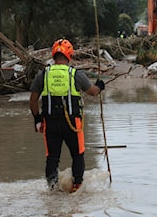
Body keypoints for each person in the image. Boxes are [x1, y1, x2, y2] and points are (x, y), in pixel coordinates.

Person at [29, 38, 105, 193]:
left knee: (52, 158)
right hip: (73, 124)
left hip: (50, 123)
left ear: (53, 55)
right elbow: (93, 92)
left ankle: (52, 190)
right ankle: (76, 187)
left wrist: (37, 119)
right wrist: (100, 85)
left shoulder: (43, 75)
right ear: (70, 54)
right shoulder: (76, 75)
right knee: (78, 155)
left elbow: (33, 100)